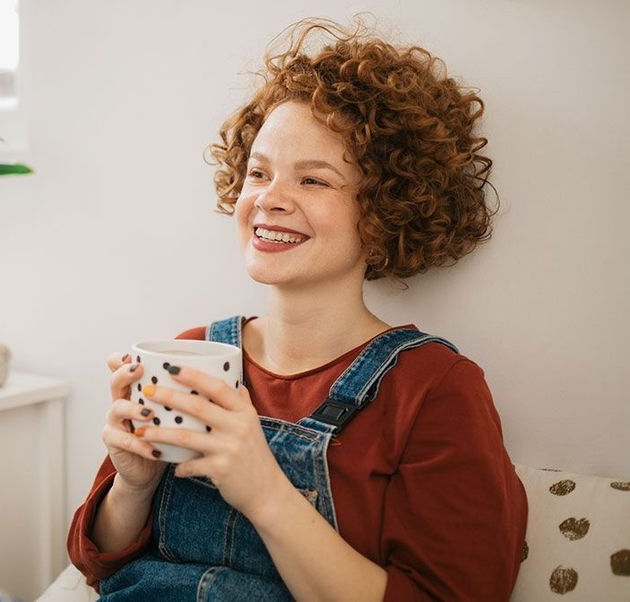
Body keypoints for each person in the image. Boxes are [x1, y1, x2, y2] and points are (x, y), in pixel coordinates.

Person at [67, 16, 528, 601]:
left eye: (313, 180)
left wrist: (263, 491)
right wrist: (133, 485)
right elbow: (95, 564)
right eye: (258, 173)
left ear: (387, 209)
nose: (268, 200)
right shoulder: (193, 350)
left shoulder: (433, 390)